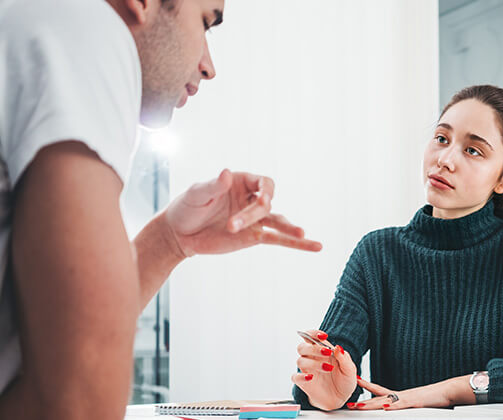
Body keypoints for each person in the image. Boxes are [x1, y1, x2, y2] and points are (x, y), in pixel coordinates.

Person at [0, 0, 321, 418]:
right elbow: (79, 403)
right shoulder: (89, 29)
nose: (209, 66)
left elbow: (66, 343)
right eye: (206, 22)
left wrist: (170, 240)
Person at [291, 85, 503, 411]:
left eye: (473, 151)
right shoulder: (377, 253)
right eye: (442, 139)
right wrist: (328, 389)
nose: (445, 160)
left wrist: (453, 390)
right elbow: (324, 372)